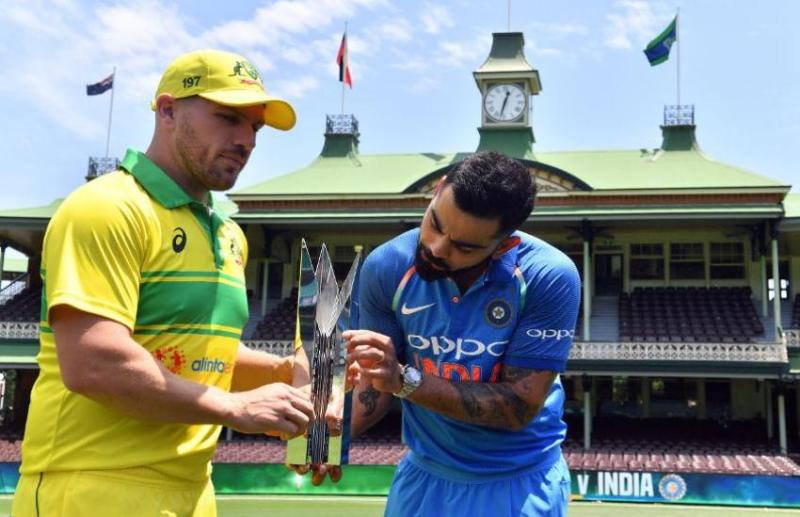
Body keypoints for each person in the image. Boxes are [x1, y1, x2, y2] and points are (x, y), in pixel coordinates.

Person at [12, 49, 314, 517]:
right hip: (94, 487)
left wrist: (283, 375)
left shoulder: (227, 234)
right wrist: (235, 408)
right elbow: (93, 363)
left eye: (254, 127)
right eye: (228, 118)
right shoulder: (106, 208)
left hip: (194, 488)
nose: (246, 140)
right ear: (168, 110)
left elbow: (197, 351)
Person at [343, 151, 581, 516]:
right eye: (435, 223)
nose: (437, 248)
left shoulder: (548, 276)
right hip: (424, 477)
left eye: (464, 246)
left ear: (504, 245)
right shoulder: (387, 265)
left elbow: (518, 406)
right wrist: (330, 439)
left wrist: (404, 380)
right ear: (438, 190)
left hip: (517, 483)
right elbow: (374, 383)